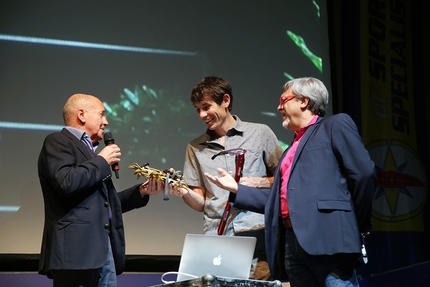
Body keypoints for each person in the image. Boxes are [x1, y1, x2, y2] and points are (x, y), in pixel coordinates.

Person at [205, 77, 377, 287]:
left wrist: (358, 222)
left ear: (304, 101)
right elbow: (279, 200)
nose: (279, 107)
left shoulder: (334, 125)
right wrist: (237, 189)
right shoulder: (289, 150)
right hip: (292, 243)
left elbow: (364, 173)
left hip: (328, 238)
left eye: (283, 100)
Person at [166, 76, 284, 280]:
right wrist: (184, 192)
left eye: (206, 107)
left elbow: (286, 180)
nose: (202, 114)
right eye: (197, 109)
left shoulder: (260, 133)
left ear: (226, 100)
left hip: (257, 240)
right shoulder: (195, 147)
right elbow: (201, 202)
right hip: (218, 244)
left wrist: (260, 182)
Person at [38, 93, 161, 287]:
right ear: (82, 115)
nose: (106, 121)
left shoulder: (91, 153)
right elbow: (66, 182)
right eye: (102, 114)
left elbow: (104, 205)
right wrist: (102, 161)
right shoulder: (57, 141)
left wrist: (141, 192)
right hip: (76, 255)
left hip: (104, 253)